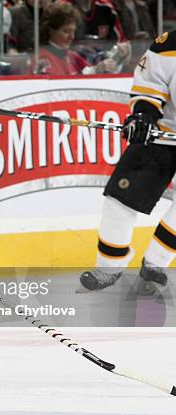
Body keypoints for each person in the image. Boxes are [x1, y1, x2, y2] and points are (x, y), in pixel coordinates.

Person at [78, 31, 176, 292]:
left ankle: (156, 263)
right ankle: (108, 266)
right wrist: (143, 115)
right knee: (120, 199)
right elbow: (151, 84)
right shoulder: (169, 44)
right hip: (161, 134)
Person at [30, 2, 125, 75]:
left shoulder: (72, 56)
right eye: (66, 31)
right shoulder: (42, 59)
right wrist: (95, 70)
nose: (72, 37)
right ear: (50, 30)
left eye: (73, 31)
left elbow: (94, 71)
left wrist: (118, 58)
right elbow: (59, 89)